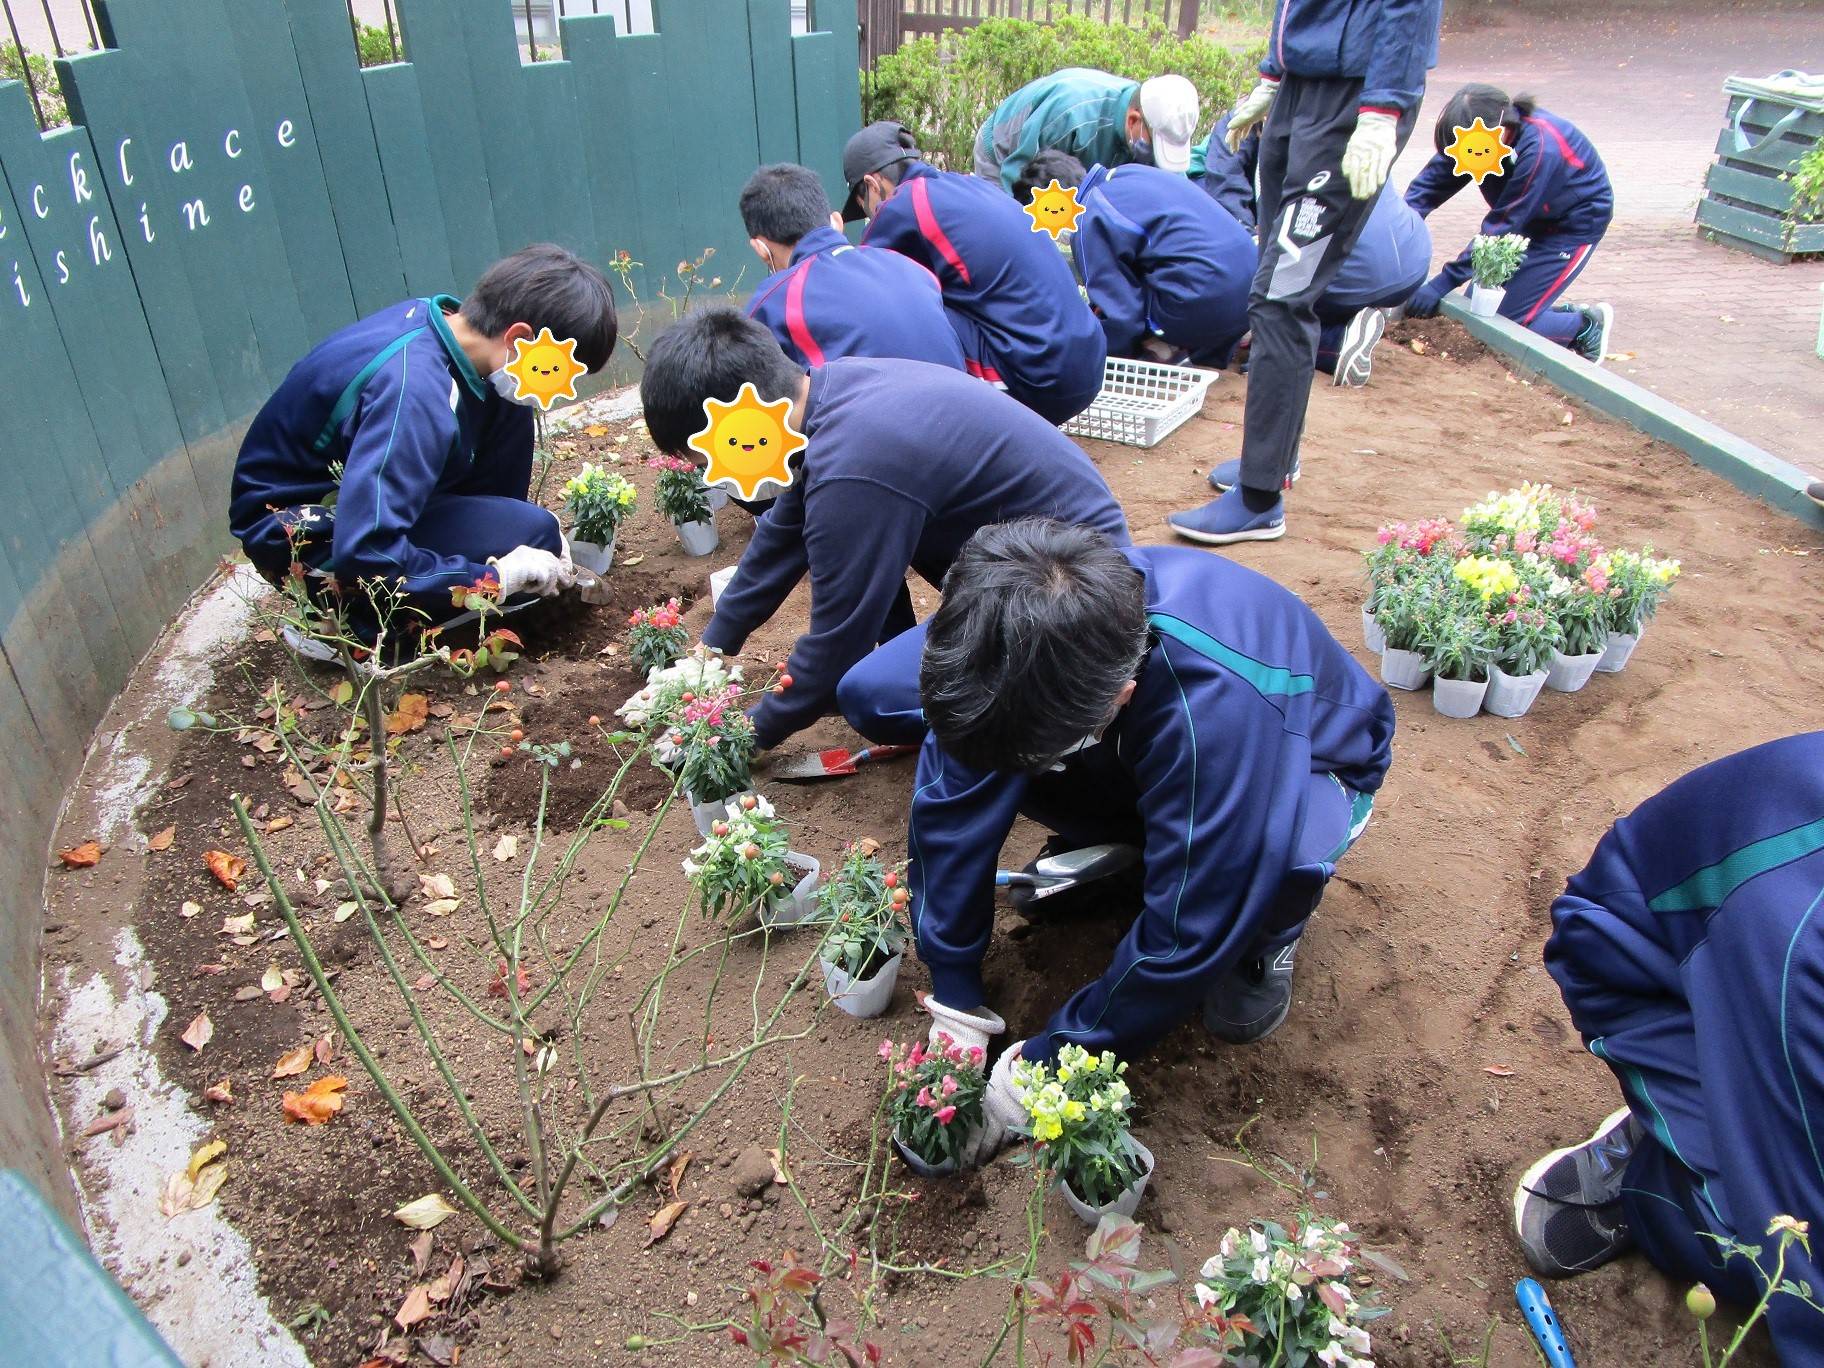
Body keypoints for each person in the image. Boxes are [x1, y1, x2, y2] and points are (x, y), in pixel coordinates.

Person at [837, 520, 1394, 1153]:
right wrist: (955, 989)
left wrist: (1051, 1064)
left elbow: (1193, 925)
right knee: (996, 743)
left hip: (1309, 761)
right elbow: (951, 799)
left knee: (1269, 864)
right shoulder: (1000, 640)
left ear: (1123, 693)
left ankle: (1268, 938)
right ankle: (1137, 852)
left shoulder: (1218, 706)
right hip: (1139, 738)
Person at [638, 310, 1130, 753]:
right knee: (867, 559)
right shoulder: (832, 392)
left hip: (1072, 605)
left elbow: (836, 644)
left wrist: (744, 736)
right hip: (1047, 568)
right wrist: (712, 648)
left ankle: (1032, 717)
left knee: (868, 696)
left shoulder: (855, 467)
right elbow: (784, 532)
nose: (714, 474)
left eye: (706, 457)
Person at [1519, 733, 1824, 1362]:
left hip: (1755, 966)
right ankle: (1663, 1180)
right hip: (1645, 963)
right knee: (1773, 1249)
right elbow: (1807, 1270)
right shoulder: (1802, 947)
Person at [230, 244, 617, 645]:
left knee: (511, 410)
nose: (563, 388)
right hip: (304, 534)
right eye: (562, 371)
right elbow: (367, 553)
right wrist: (494, 579)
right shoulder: (412, 392)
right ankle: (354, 628)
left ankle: (463, 566)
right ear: (519, 337)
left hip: (356, 499)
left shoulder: (445, 327)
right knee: (530, 534)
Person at [1165, 0, 1443, 547]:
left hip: (1354, 97)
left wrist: (1384, 106)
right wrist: (1273, 74)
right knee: (1272, 283)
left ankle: (1259, 499)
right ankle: (1274, 458)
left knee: (1282, 296)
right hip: (1300, 85)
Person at [843, 121, 1107, 426]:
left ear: (872, 184)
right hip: (1088, 363)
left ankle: (938, 435)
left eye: (865, 206)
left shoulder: (902, 204)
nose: (870, 215)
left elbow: (857, 292)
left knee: (894, 313)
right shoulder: (971, 186)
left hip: (1041, 381)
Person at [1191, 113, 1431, 389]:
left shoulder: (1239, 127)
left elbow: (1231, 211)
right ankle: (1347, 320)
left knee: (1271, 310)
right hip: (1413, 258)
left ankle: (1335, 341)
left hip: (1347, 267)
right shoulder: (1341, 113)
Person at [1403, 84, 1615, 361]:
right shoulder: (1478, 137)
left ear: (1499, 128)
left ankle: (1584, 327)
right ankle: (1545, 312)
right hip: (1524, 217)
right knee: (1475, 309)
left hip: (1570, 227)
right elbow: (1428, 188)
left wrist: (1443, 282)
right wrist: (1398, 229)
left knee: (1500, 326)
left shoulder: (1541, 149)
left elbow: (1503, 225)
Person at [1012, 150, 1254, 369]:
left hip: (1207, 301)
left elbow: (1122, 318)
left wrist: (1091, 353)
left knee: (1115, 308)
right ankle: (1228, 336)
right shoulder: (1130, 173)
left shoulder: (1089, 217)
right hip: (1252, 289)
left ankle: (1164, 351)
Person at [739, 163, 967, 372]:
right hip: (967, 398)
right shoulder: (910, 266)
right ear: (836, 221)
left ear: (760, 248)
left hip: (885, 403)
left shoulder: (774, 303)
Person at [974, 68, 1202, 193]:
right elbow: (1020, 177)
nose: (1155, 155)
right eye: (1155, 145)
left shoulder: (1152, 120)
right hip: (1002, 156)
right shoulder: (1071, 115)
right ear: (1134, 120)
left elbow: (1175, 187)